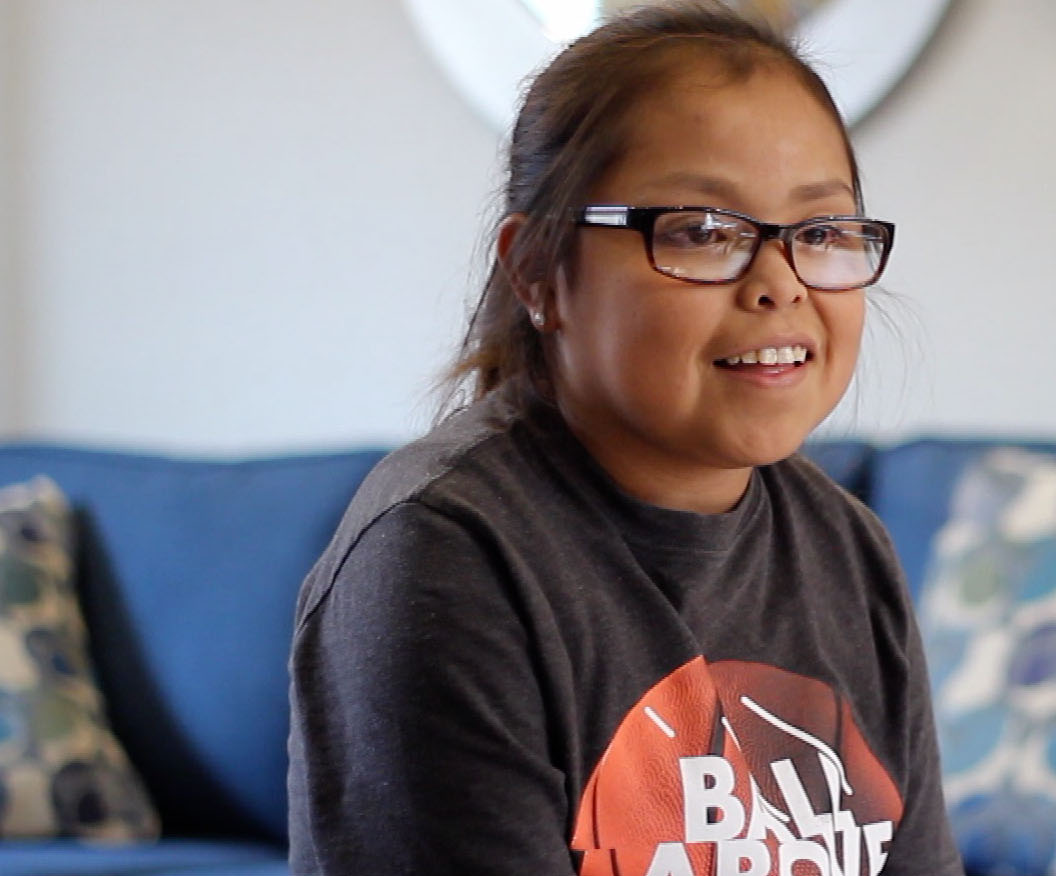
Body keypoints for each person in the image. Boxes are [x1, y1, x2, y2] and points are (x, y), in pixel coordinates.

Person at [287, 4, 960, 875]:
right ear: (538, 272)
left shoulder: (847, 551)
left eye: (820, 232)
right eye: (701, 232)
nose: (778, 284)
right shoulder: (443, 556)